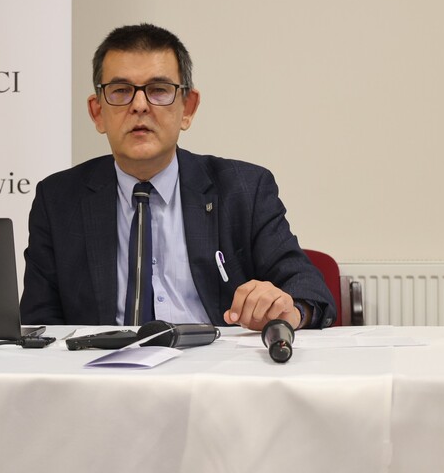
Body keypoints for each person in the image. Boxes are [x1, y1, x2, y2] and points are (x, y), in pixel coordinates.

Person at [20, 23, 335, 330]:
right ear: (97, 112)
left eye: (158, 90)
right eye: (121, 91)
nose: (139, 106)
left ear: (188, 108)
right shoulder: (58, 200)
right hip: (102, 364)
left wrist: (289, 310)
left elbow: (309, 290)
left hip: (214, 362)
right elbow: (38, 324)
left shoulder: (243, 190)